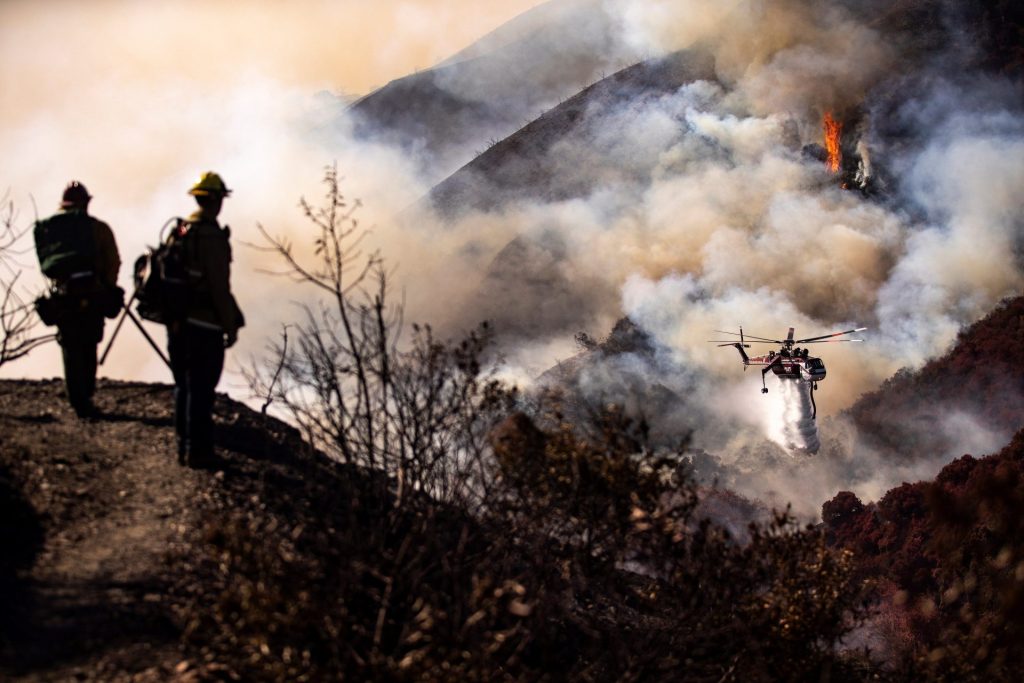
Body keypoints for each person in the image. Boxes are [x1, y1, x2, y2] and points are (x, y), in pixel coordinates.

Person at [166, 171, 244, 468]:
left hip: (177, 323)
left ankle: (184, 449)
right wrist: (230, 325)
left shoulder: (181, 231)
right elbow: (219, 288)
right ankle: (198, 452)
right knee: (201, 389)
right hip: (204, 326)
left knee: (183, 386)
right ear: (215, 201)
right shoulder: (211, 236)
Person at [34, 181, 121, 417]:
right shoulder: (98, 228)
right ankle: (86, 396)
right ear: (86, 203)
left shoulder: (50, 229)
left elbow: (47, 265)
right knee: (90, 342)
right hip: (94, 294)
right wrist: (108, 287)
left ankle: (79, 399)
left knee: (70, 346)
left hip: (65, 296)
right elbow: (112, 261)